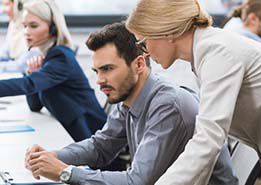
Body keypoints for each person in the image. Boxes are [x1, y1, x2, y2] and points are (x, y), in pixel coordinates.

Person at [24, 22, 238, 185]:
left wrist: (65, 172)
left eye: (107, 69)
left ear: (138, 64)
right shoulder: (128, 97)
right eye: (97, 71)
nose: (99, 80)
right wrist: (51, 157)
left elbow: (138, 181)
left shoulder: (168, 106)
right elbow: (101, 147)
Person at [126, 0, 261, 184]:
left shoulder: (216, 52)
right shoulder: (206, 51)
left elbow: (208, 140)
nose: (145, 52)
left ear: (167, 32)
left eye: (143, 43)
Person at [0, 0, 106, 142]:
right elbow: (35, 105)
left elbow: (28, 85)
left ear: (53, 28)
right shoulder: (46, 57)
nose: (26, 32)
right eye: (24, 26)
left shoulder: (61, 57)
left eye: (33, 26)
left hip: (93, 139)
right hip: (72, 134)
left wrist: (32, 78)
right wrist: (32, 73)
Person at [0, 0, 39, 73]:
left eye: (7, 5)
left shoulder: (30, 29)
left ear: (19, 6)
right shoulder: (14, 25)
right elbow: (4, 52)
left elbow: (21, 66)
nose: (3, 10)